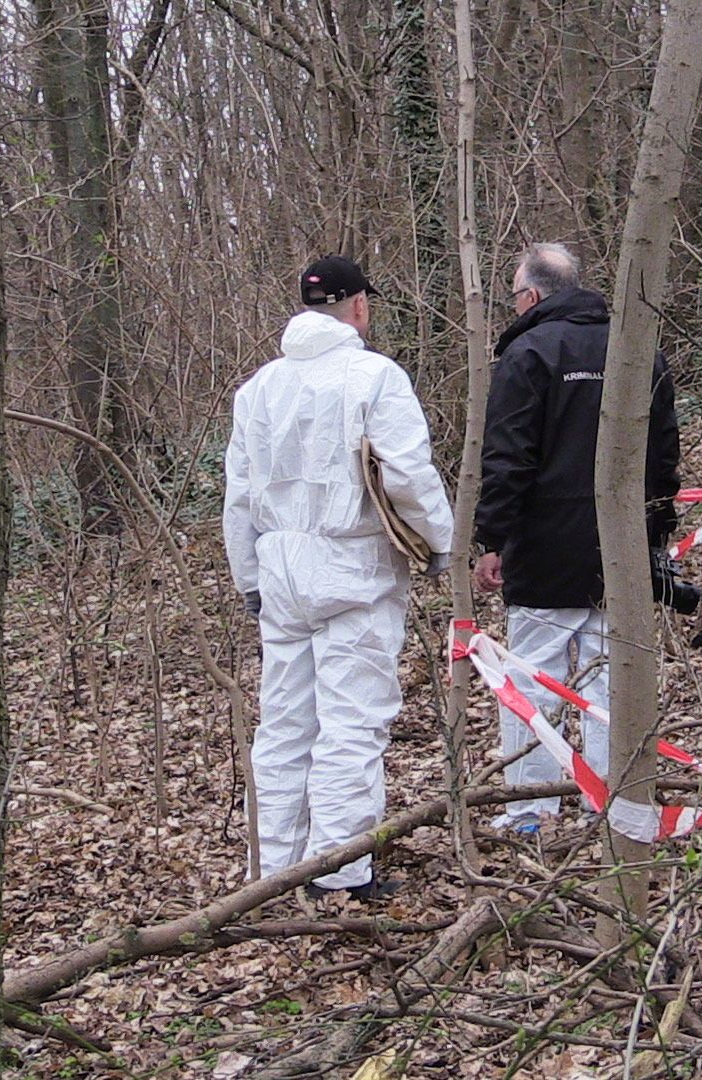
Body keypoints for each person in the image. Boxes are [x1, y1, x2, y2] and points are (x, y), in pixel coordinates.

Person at [222, 255, 454, 900]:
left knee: (286, 722)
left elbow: (238, 494)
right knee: (352, 720)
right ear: (357, 306)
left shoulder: (258, 388)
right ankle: (339, 871)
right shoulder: (373, 376)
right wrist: (441, 541)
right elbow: (406, 471)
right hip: (353, 564)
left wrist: (248, 575)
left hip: (279, 566)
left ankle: (272, 868)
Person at [474, 242, 681, 833]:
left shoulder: (528, 352)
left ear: (532, 296)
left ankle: (530, 810)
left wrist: (493, 538)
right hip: (622, 543)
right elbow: (664, 453)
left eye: (515, 297)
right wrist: (655, 532)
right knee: (608, 677)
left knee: (530, 676)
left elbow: (508, 455)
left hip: (543, 542)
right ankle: (608, 806)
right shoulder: (636, 349)